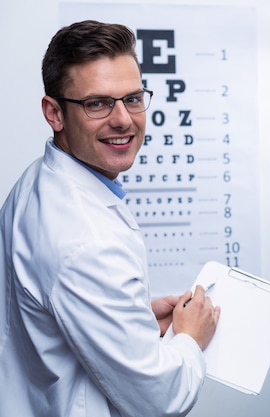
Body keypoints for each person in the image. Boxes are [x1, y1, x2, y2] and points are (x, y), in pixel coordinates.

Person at [0, 20, 221, 417]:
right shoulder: (88, 240)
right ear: (54, 113)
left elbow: (56, 318)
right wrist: (189, 337)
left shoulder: (36, 181)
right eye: (97, 103)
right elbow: (160, 400)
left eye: (133, 98)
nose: (123, 119)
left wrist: (131, 317)